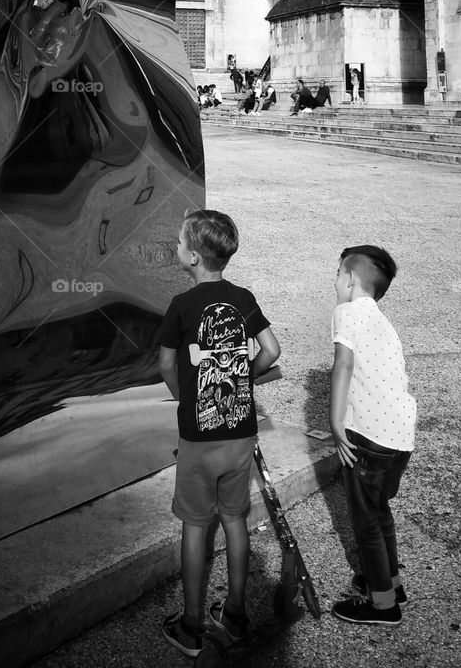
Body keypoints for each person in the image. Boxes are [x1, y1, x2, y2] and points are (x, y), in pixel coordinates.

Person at [159, 210, 281, 655]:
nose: (176, 248)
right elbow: (273, 350)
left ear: (192, 256)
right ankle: (234, 615)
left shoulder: (180, 306)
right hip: (240, 435)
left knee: (195, 526)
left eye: (177, 242)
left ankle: (190, 627)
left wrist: (184, 398)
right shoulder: (244, 297)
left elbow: (168, 365)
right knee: (234, 520)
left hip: (199, 440)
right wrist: (245, 373)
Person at [329, 245, 416, 628]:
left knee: (364, 521)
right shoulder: (382, 321)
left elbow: (343, 365)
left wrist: (335, 423)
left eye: (337, 275)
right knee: (380, 511)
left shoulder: (345, 312)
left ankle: (383, 606)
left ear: (349, 279)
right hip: (399, 436)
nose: (335, 282)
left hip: (367, 435)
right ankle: (391, 584)